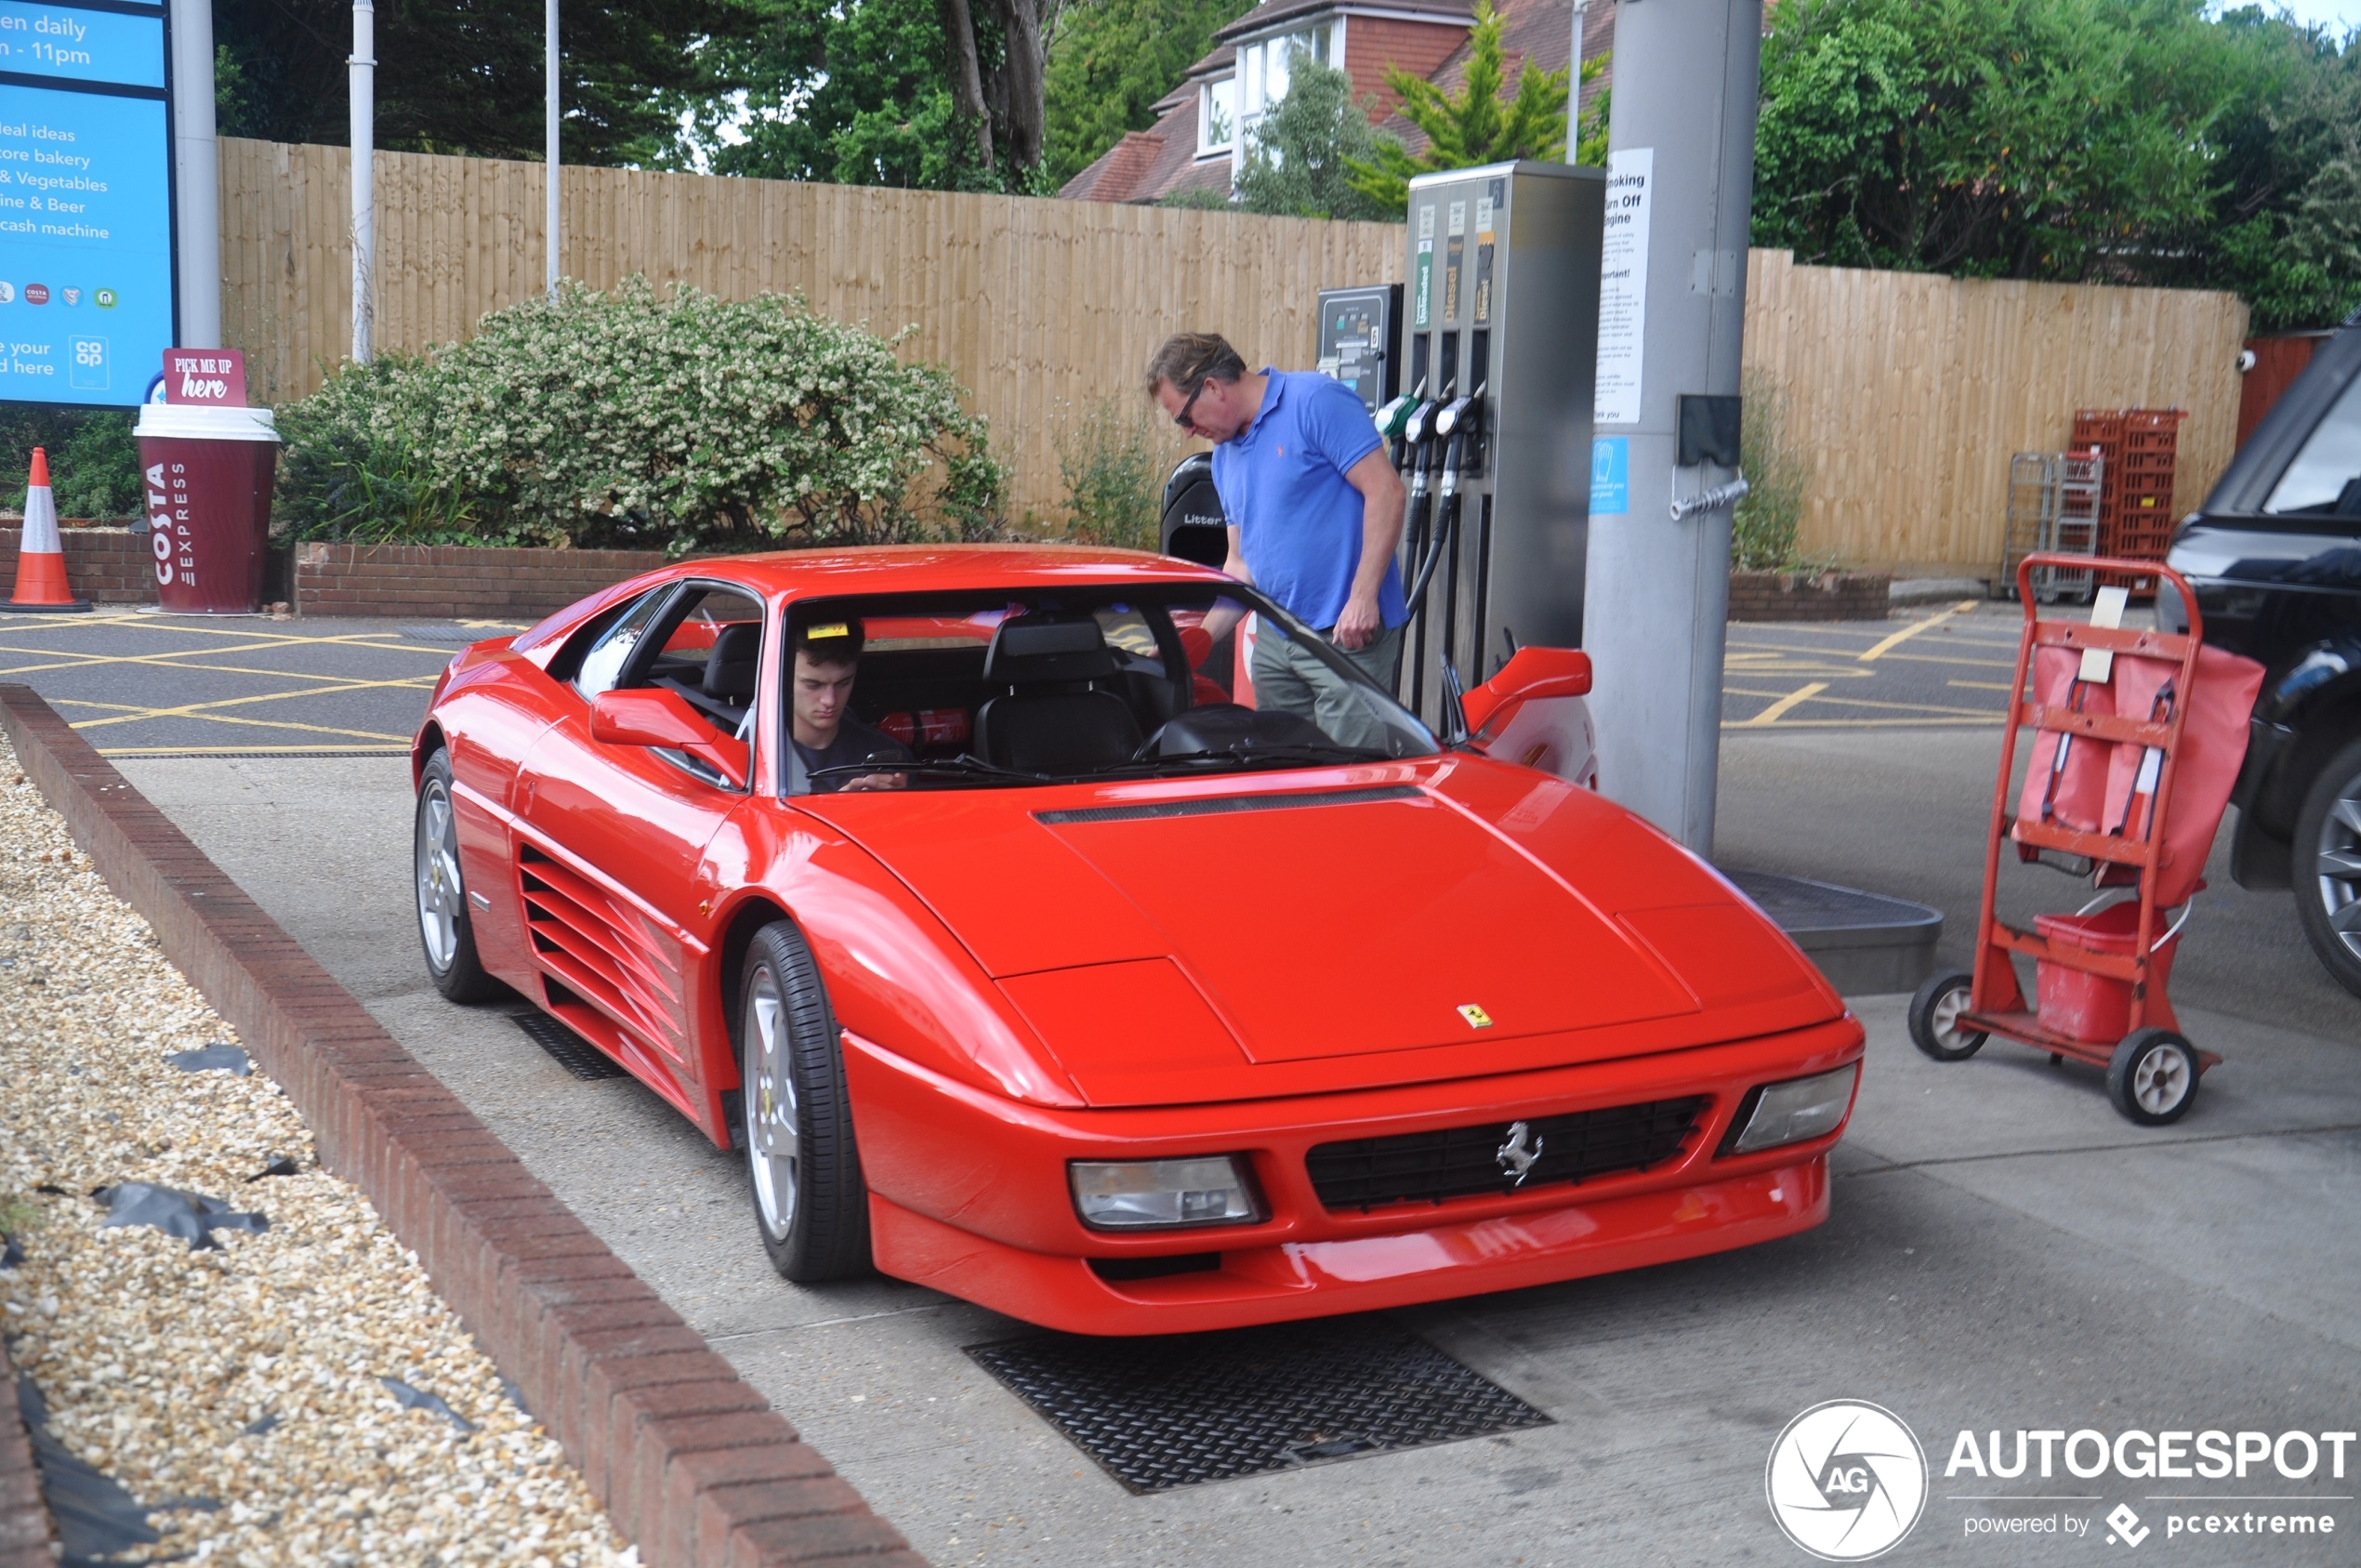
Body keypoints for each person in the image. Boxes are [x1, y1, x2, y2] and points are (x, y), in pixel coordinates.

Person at [1144, 333, 1409, 747]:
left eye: (1185, 418)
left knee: (1350, 784)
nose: (1188, 432)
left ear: (1211, 386)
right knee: (1282, 777)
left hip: (1346, 636)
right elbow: (1240, 566)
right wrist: (1198, 640)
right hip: (1276, 643)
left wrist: (1362, 598)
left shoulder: (1315, 401)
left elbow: (1387, 492)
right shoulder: (1224, 457)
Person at [787, 619, 911, 792]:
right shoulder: (751, 752)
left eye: (843, 683)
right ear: (783, 678)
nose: (830, 700)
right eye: (813, 685)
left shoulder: (888, 758)